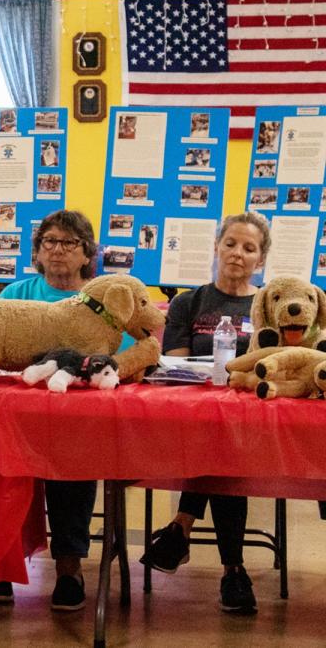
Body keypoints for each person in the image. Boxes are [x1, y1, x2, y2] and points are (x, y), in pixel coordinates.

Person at [0, 209, 103, 609]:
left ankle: (69, 568)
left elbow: (118, 356)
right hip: (15, 416)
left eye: (69, 243)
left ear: (85, 253)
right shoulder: (15, 295)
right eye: (49, 242)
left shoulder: (99, 298)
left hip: (77, 419)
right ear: (38, 252)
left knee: (74, 464)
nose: (58, 251)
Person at [140, 211, 271, 615]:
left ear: (260, 260)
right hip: (194, 412)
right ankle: (234, 569)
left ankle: (181, 526)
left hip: (252, 415)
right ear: (217, 248)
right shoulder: (187, 302)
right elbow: (175, 363)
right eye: (230, 244)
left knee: (224, 444)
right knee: (219, 443)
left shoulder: (266, 304)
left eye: (249, 248)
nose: (237, 254)